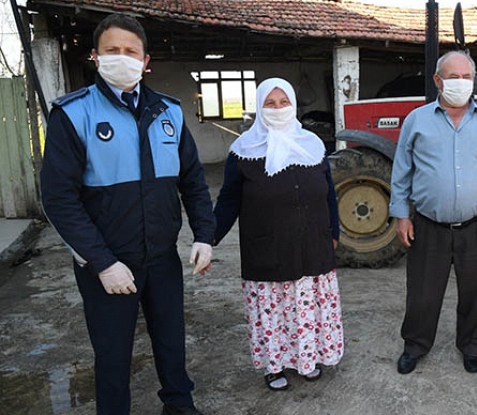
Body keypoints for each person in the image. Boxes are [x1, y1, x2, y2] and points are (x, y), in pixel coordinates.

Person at [40, 14, 215, 415]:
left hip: (162, 257)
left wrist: (204, 235)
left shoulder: (169, 112)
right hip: (108, 263)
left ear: (145, 60)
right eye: (112, 50)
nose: (122, 57)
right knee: (113, 354)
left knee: (171, 341)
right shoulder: (74, 114)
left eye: (130, 51)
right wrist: (102, 262)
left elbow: (192, 181)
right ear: (95, 57)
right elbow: (58, 198)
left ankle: (179, 405)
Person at [389, 51, 477, 375]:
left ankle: (471, 346)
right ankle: (415, 345)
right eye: (453, 77)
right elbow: (402, 171)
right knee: (422, 293)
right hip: (428, 225)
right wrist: (401, 215)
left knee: (476, 292)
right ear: (437, 81)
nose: (461, 83)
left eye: (466, 77)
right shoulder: (417, 120)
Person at [212, 77, 343, 391]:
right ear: (259, 108)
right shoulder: (243, 151)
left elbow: (329, 194)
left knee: (307, 307)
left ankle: (308, 360)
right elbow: (229, 199)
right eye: (270, 104)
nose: (278, 109)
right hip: (268, 247)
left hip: (313, 243)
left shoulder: (313, 145)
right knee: (275, 312)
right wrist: (209, 237)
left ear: (293, 105)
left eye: (283, 102)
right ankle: (275, 367)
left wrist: (333, 231)